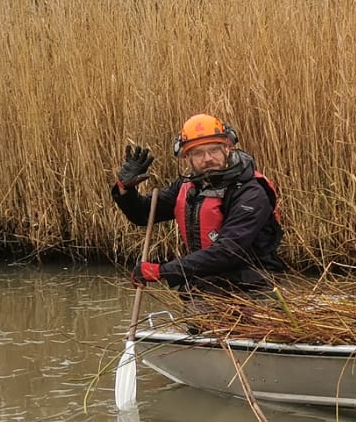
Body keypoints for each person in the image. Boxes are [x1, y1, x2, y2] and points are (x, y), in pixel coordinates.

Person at [112, 113, 283, 293]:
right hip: (208, 286)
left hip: (253, 290)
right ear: (188, 157)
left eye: (214, 150)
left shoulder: (251, 193)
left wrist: (162, 271)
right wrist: (125, 189)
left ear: (227, 148)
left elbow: (228, 251)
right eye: (199, 153)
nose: (207, 158)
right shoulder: (188, 186)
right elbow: (143, 214)